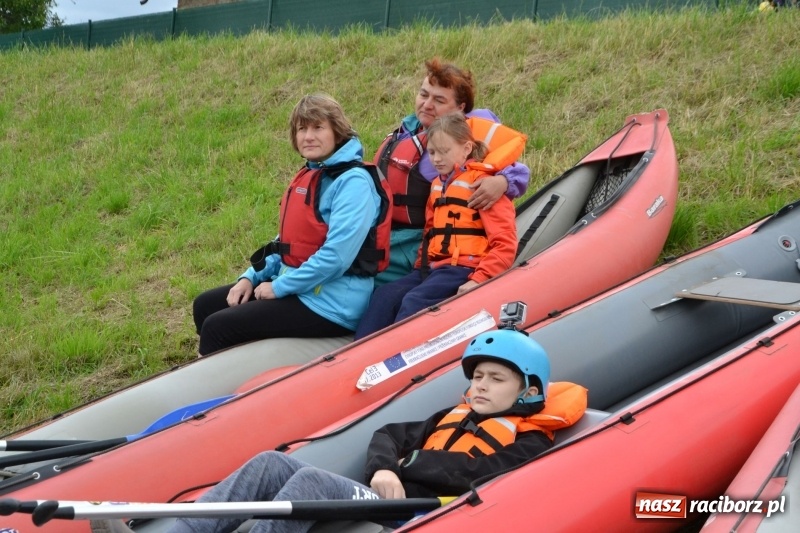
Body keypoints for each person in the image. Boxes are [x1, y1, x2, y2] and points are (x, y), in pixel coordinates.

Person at [90, 328, 587, 533]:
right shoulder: (449, 418)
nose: (479, 385)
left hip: (418, 510)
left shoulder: (527, 440)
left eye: (494, 379)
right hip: (389, 492)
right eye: (476, 376)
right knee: (269, 462)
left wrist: (406, 469)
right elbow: (389, 434)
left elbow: (473, 474)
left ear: (527, 391)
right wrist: (386, 467)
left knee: (308, 484)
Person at [191, 93, 390, 356]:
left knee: (218, 326)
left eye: (318, 127)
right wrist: (250, 278)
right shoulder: (313, 173)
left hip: (332, 303)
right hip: (303, 288)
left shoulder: (354, 183)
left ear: (337, 133)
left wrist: (279, 287)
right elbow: (287, 243)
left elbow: (337, 257)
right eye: (302, 128)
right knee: (205, 305)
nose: (308, 136)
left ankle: (224, 392)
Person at [354, 113, 521, 339]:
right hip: (433, 268)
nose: (437, 159)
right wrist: (420, 267)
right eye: (432, 152)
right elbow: (430, 232)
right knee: (385, 296)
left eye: (444, 151)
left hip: (465, 269)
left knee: (414, 301)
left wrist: (479, 279)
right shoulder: (437, 186)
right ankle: (358, 355)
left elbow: (505, 243)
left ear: (466, 148)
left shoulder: (485, 186)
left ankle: (397, 361)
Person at [374, 58, 530, 286]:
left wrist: (502, 182)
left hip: (417, 240)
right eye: (423, 94)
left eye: (439, 100)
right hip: (387, 230)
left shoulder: (464, 139)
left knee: (360, 271)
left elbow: (520, 171)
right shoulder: (409, 129)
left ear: (460, 108)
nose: (427, 104)